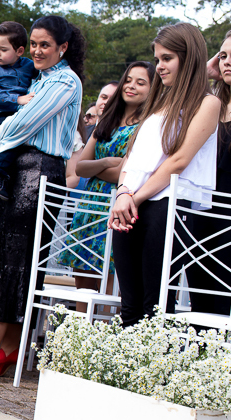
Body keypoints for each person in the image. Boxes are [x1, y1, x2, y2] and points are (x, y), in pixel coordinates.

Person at [0, 15, 86, 379]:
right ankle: (9, 344)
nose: (37, 50)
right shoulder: (37, 77)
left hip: (39, 171)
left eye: (45, 44)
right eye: (33, 44)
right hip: (16, 168)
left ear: (63, 47)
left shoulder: (65, 80)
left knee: (18, 257)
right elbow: (6, 109)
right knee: (4, 255)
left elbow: (26, 120)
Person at [110, 22, 221, 327]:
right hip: (130, 202)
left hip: (168, 204)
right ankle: (124, 359)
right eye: (157, 59)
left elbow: (179, 160)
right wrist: (123, 193)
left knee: (155, 306)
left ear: (189, 57)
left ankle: (153, 358)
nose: (159, 66)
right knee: (129, 305)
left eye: (167, 58)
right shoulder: (159, 101)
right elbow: (130, 157)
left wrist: (133, 198)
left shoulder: (208, 103)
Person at [58, 61, 155, 310]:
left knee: (116, 277)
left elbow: (128, 174)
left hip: (119, 205)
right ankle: (81, 330)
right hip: (90, 205)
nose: (131, 86)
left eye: (140, 82)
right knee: (83, 275)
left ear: (153, 88)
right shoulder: (107, 122)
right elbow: (81, 168)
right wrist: (106, 162)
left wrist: (100, 168)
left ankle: (109, 329)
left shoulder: (148, 125)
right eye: (128, 80)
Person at [0, 21, 38, 200]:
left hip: (14, 114)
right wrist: (18, 100)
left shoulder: (29, 66)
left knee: (18, 150)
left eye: (3, 49)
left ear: (19, 51)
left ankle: (1, 187)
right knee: (13, 136)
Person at [201, 30, 231, 316]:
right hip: (202, 207)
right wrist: (207, 72)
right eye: (223, 56)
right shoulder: (212, 103)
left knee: (222, 295)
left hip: (230, 214)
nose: (227, 62)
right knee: (200, 292)